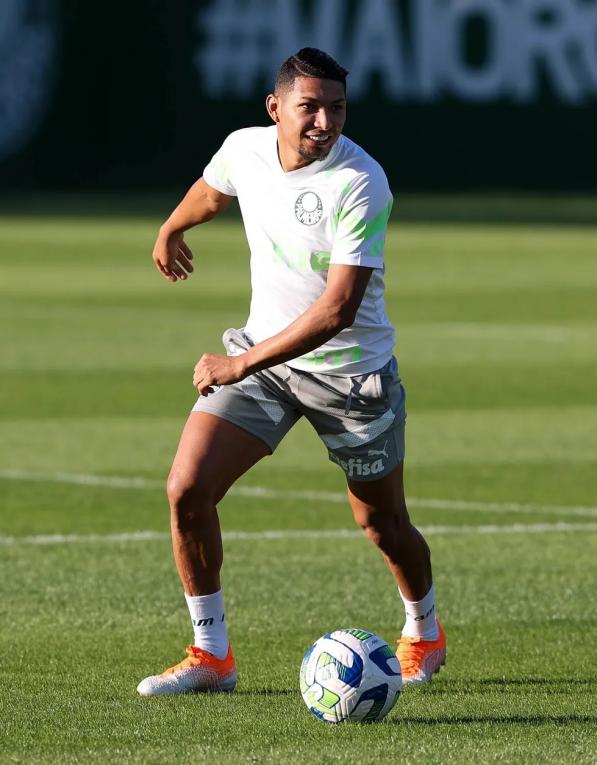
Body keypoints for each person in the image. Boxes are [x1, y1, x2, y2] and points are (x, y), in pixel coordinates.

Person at [137, 48, 446, 697]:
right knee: (186, 488)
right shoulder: (246, 148)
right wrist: (173, 225)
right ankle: (212, 654)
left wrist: (238, 360)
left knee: (383, 524)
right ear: (275, 107)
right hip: (266, 364)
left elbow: (336, 310)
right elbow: (214, 186)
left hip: (349, 378)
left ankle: (424, 629)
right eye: (310, 106)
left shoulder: (360, 180)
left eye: (336, 107)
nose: (324, 121)